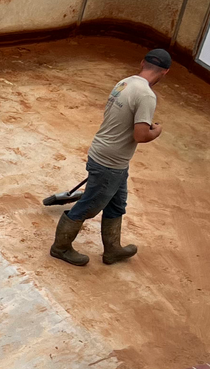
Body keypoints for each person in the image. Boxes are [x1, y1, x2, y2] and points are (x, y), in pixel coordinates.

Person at [50, 48, 172, 267]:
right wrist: (158, 130)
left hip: (107, 154)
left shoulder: (124, 83)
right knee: (89, 206)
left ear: (142, 62)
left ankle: (112, 250)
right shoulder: (146, 95)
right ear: (165, 72)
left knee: (116, 204)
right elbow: (141, 135)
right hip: (110, 162)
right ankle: (60, 248)